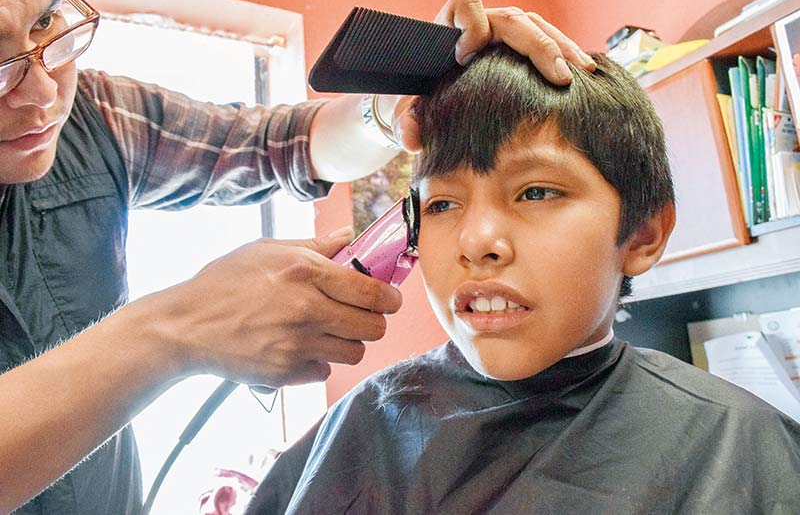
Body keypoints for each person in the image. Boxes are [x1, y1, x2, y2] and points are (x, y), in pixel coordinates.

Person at [0, 0, 598, 512]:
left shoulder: (95, 117)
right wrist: (173, 330)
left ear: (644, 234)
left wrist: (391, 108)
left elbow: (279, 145)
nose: (41, 95)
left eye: (49, 23)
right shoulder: (367, 431)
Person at [245, 46, 800, 514]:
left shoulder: (738, 446)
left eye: (536, 192)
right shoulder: (364, 425)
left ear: (643, 235)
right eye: (441, 203)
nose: (477, 241)